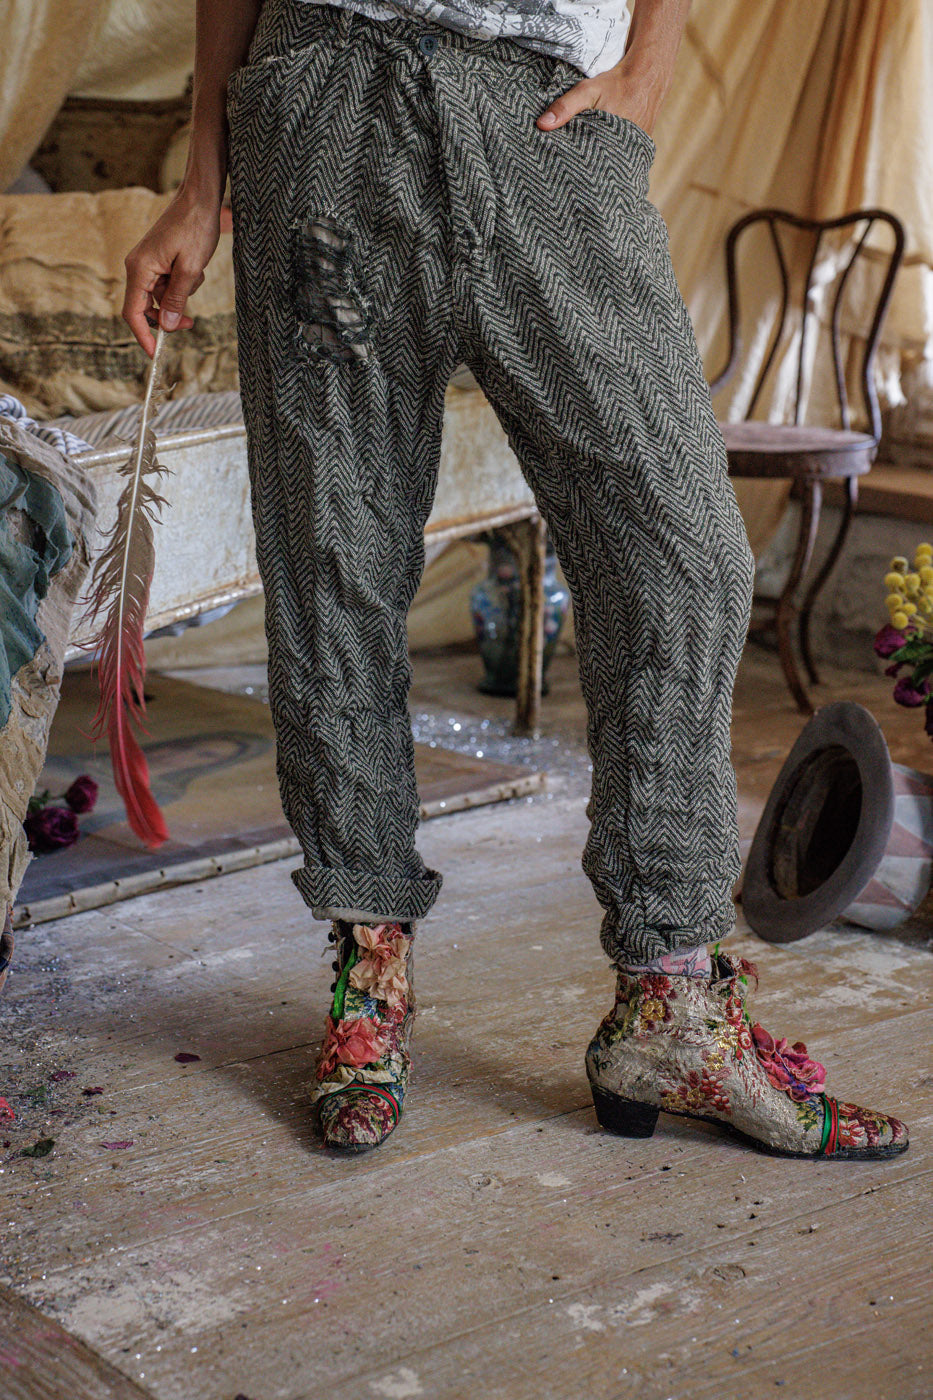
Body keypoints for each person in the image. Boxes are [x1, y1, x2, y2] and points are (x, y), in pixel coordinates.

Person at [123, 0, 909, 1160]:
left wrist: (651, 59)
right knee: (335, 548)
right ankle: (368, 976)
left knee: (684, 555)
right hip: (329, 128)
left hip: (549, 125)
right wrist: (203, 179)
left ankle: (671, 1002)